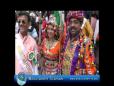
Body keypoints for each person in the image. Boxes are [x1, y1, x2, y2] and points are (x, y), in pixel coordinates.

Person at [62, 11, 96, 75]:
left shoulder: (86, 43)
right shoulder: (67, 39)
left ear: (81, 25)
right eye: (71, 22)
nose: (72, 25)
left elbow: (90, 71)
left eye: (75, 22)